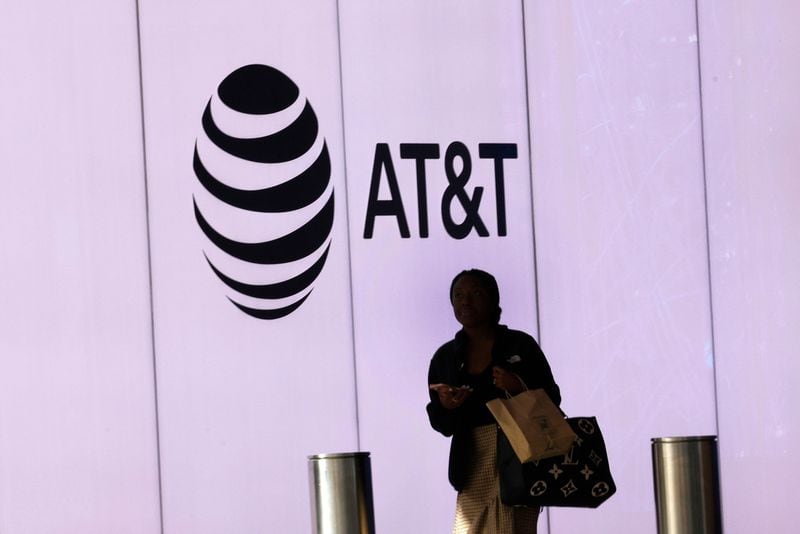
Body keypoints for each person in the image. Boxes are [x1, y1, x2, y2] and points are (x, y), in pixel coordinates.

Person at [427, 269, 561, 534]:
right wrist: (447, 406)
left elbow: (552, 400)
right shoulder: (445, 357)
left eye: (475, 293)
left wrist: (518, 387)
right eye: (458, 295)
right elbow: (442, 424)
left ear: (493, 300)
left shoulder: (520, 345)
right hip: (472, 460)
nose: (466, 301)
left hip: (521, 459)